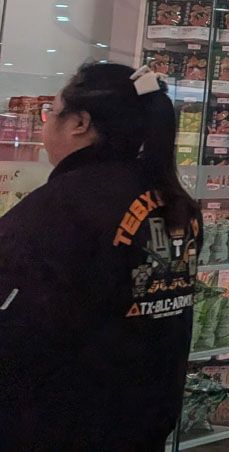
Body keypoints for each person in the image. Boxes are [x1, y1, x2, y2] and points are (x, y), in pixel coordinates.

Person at [0, 63, 201, 450]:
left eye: (51, 111)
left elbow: (18, 325)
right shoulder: (174, 201)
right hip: (144, 416)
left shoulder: (62, 207)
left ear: (80, 123)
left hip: (64, 421)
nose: (45, 123)